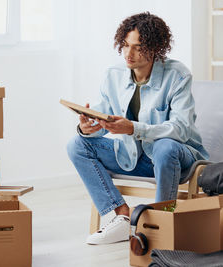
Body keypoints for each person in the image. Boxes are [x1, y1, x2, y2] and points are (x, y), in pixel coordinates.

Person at [66, 12, 209, 245]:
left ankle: (161, 221)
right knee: (77, 144)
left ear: (154, 48)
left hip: (176, 159)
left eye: (137, 47)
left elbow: (181, 129)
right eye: (125, 46)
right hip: (133, 157)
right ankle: (123, 217)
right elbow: (106, 122)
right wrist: (89, 127)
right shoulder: (113, 75)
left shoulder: (178, 75)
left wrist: (133, 128)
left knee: (164, 147)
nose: (128, 54)